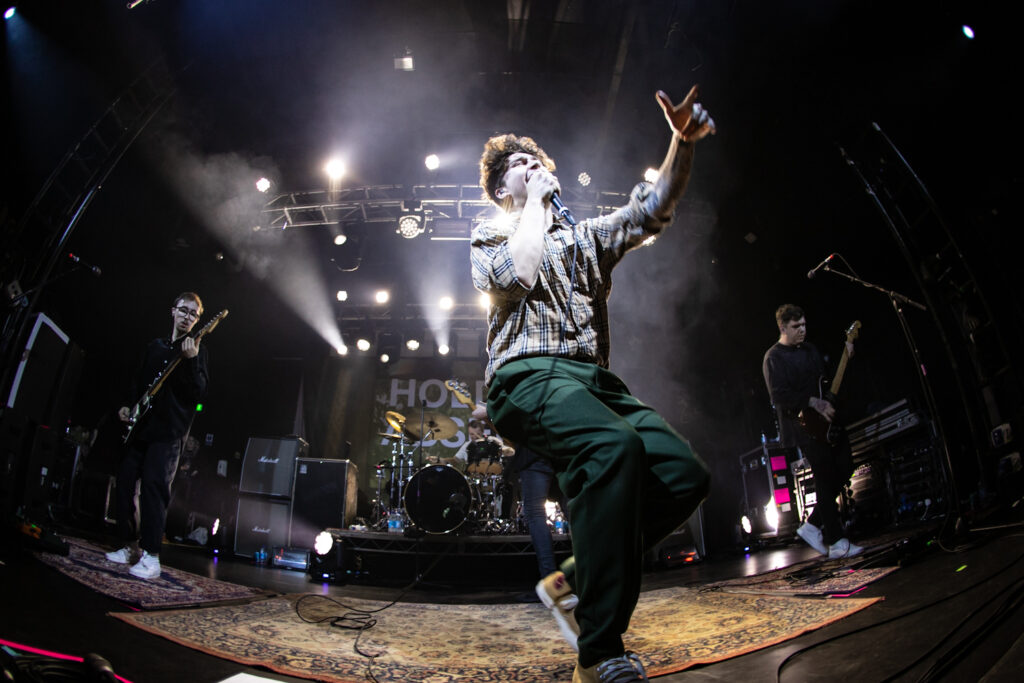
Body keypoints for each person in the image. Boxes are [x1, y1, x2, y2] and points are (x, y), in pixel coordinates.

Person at [471, 87, 714, 682]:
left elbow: (653, 207)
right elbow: (521, 273)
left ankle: (572, 581)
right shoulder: (489, 232)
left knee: (684, 476)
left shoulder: (584, 239)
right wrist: (532, 207)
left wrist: (681, 142)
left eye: (538, 162)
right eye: (519, 167)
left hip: (591, 381)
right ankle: (600, 652)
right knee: (612, 447)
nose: (535, 168)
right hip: (524, 377)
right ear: (504, 189)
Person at [105, 292, 209, 579]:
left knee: (154, 489)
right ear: (172, 311)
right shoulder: (155, 346)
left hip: (169, 433)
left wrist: (190, 361)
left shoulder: (196, 351)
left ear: (198, 320)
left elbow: (197, 394)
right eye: (183, 310)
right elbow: (137, 381)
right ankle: (128, 546)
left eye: (193, 314)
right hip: (141, 428)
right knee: (125, 483)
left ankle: (151, 557)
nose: (187, 316)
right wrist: (127, 405)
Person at [762, 304, 863, 560]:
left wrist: (846, 360)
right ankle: (836, 541)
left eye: (804, 325)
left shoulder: (810, 350)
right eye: (796, 327)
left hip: (826, 422)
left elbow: (825, 382)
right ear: (782, 327)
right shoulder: (774, 357)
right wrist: (812, 402)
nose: (802, 331)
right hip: (801, 425)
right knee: (824, 473)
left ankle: (812, 525)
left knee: (844, 467)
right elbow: (779, 395)